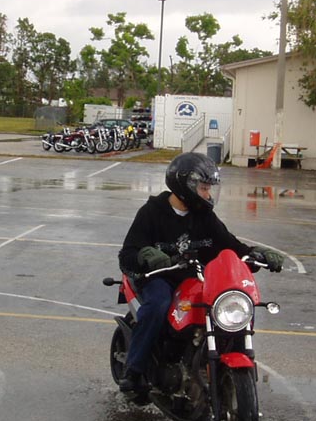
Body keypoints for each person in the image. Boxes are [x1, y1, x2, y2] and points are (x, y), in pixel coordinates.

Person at [116, 152, 285, 393]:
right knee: (157, 305)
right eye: (204, 188)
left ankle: (222, 358)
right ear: (185, 185)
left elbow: (230, 246)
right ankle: (134, 370)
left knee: (230, 302)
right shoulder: (151, 212)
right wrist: (146, 256)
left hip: (195, 278)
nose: (208, 194)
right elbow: (127, 255)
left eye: (209, 188)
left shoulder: (204, 216)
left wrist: (257, 254)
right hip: (160, 278)